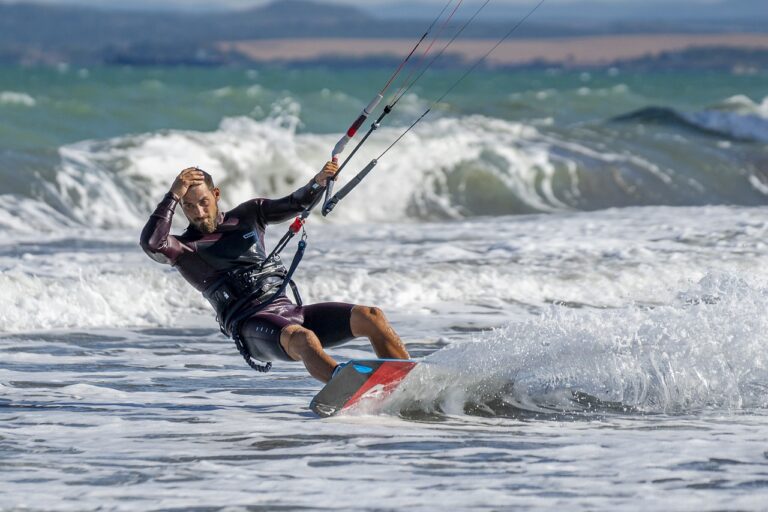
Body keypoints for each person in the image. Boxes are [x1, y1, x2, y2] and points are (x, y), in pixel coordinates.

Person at [140, 162, 410, 383]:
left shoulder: (248, 214)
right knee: (304, 339)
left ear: (216, 195)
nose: (198, 212)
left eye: (203, 202)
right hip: (250, 325)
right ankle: (345, 387)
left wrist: (318, 181)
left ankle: (406, 380)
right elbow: (152, 243)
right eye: (188, 206)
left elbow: (295, 203)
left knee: (370, 316)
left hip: (290, 311)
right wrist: (172, 195)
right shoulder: (183, 249)